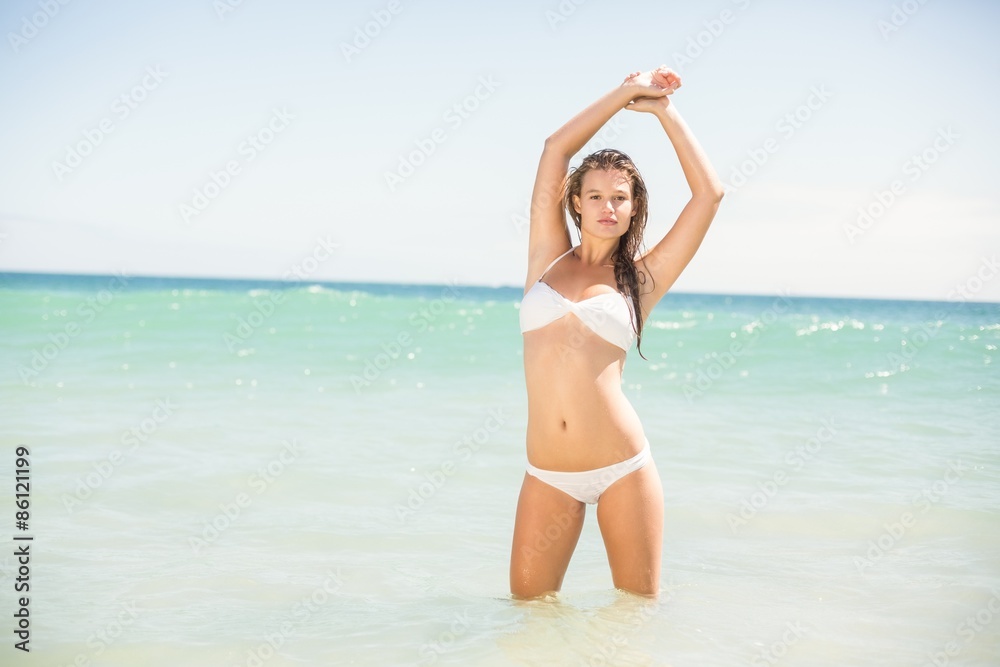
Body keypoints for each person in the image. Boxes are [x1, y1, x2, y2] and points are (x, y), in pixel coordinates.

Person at [510, 66, 724, 599]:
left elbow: (709, 195)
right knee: (527, 619)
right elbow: (555, 149)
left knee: (632, 620)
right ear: (575, 202)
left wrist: (664, 113)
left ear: (633, 209)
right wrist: (627, 92)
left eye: (621, 198)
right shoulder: (545, 257)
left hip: (622, 470)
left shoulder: (641, 281)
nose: (608, 207)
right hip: (546, 472)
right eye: (597, 196)